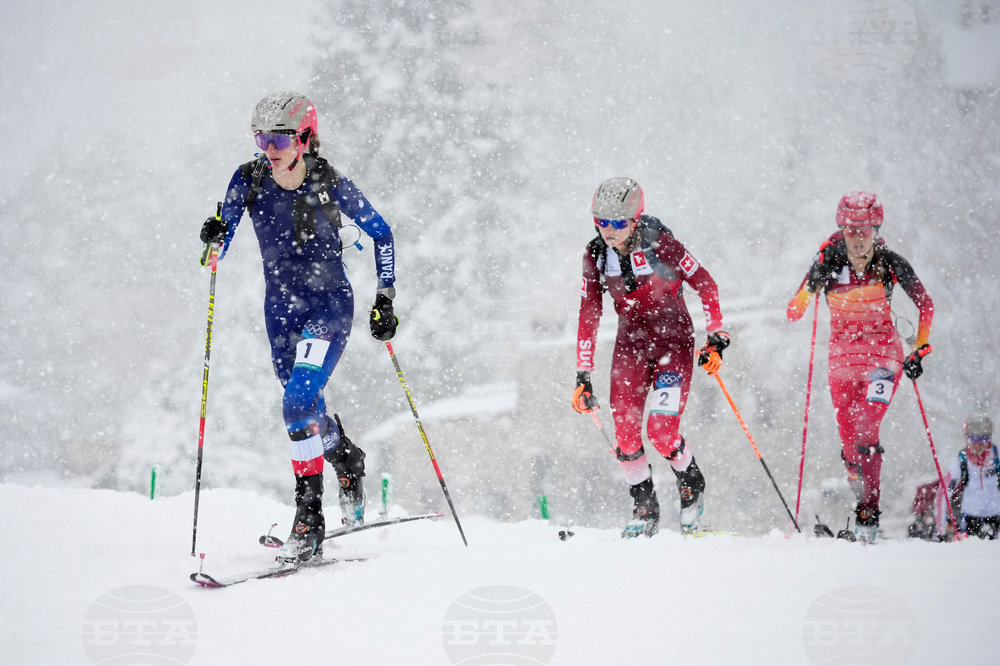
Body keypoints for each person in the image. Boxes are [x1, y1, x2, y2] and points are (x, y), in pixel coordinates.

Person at [199, 92, 399, 563]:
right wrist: (211, 239)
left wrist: (385, 300)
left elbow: (382, 233)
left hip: (328, 306)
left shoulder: (330, 182)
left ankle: (309, 520)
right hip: (280, 311)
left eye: (279, 138)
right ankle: (345, 456)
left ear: (305, 138)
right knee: (303, 411)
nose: (268, 148)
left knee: (295, 400)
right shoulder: (247, 179)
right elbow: (218, 242)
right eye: (261, 137)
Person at [572, 177, 729, 537]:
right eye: (601, 222)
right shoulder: (595, 254)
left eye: (617, 223)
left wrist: (716, 337)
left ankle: (691, 480)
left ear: (635, 218)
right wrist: (582, 374)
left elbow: (706, 283)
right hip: (631, 346)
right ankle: (644, 507)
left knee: (661, 431)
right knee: (625, 433)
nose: (608, 231)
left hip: (672, 344)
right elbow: (588, 313)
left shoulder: (661, 244)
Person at [787, 191, 934, 543]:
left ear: (876, 229)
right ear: (841, 228)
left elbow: (926, 305)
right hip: (841, 364)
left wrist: (920, 349)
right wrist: (811, 282)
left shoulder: (890, 262)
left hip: (883, 358)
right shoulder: (829, 260)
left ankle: (869, 512)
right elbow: (794, 312)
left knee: (868, 428)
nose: (857, 237)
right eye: (850, 229)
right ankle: (860, 489)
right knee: (850, 447)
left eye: (864, 230)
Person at [947, 414, 1000, 539]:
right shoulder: (961, 459)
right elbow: (944, 493)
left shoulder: (997, 456)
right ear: (967, 438)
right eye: (974, 439)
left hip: (994, 515)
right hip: (969, 515)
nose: (978, 444)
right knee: (969, 555)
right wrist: (942, 528)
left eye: (983, 439)